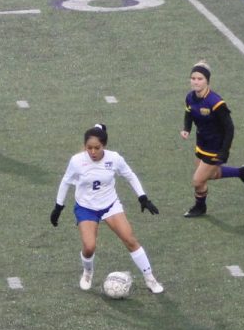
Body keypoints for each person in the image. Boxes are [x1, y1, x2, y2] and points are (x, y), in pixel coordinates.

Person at [50, 123, 164, 294]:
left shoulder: (114, 158)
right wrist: (58, 207)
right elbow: (66, 182)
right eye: (89, 148)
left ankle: (150, 278)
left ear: (104, 145)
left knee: (130, 240)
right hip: (86, 208)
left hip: (110, 205)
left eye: (97, 148)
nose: (93, 152)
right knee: (89, 247)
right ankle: (88, 272)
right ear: (85, 146)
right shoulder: (77, 161)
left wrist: (143, 197)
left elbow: (130, 175)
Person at [180, 60, 244, 217]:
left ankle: (200, 207)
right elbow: (189, 113)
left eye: (200, 79)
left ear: (207, 81)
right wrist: (186, 129)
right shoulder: (190, 97)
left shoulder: (216, 102)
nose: (196, 82)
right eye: (193, 78)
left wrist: (224, 152)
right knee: (209, 175)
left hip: (215, 147)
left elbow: (229, 128)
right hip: (201, 144)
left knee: (198, 181)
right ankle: (241, 172)